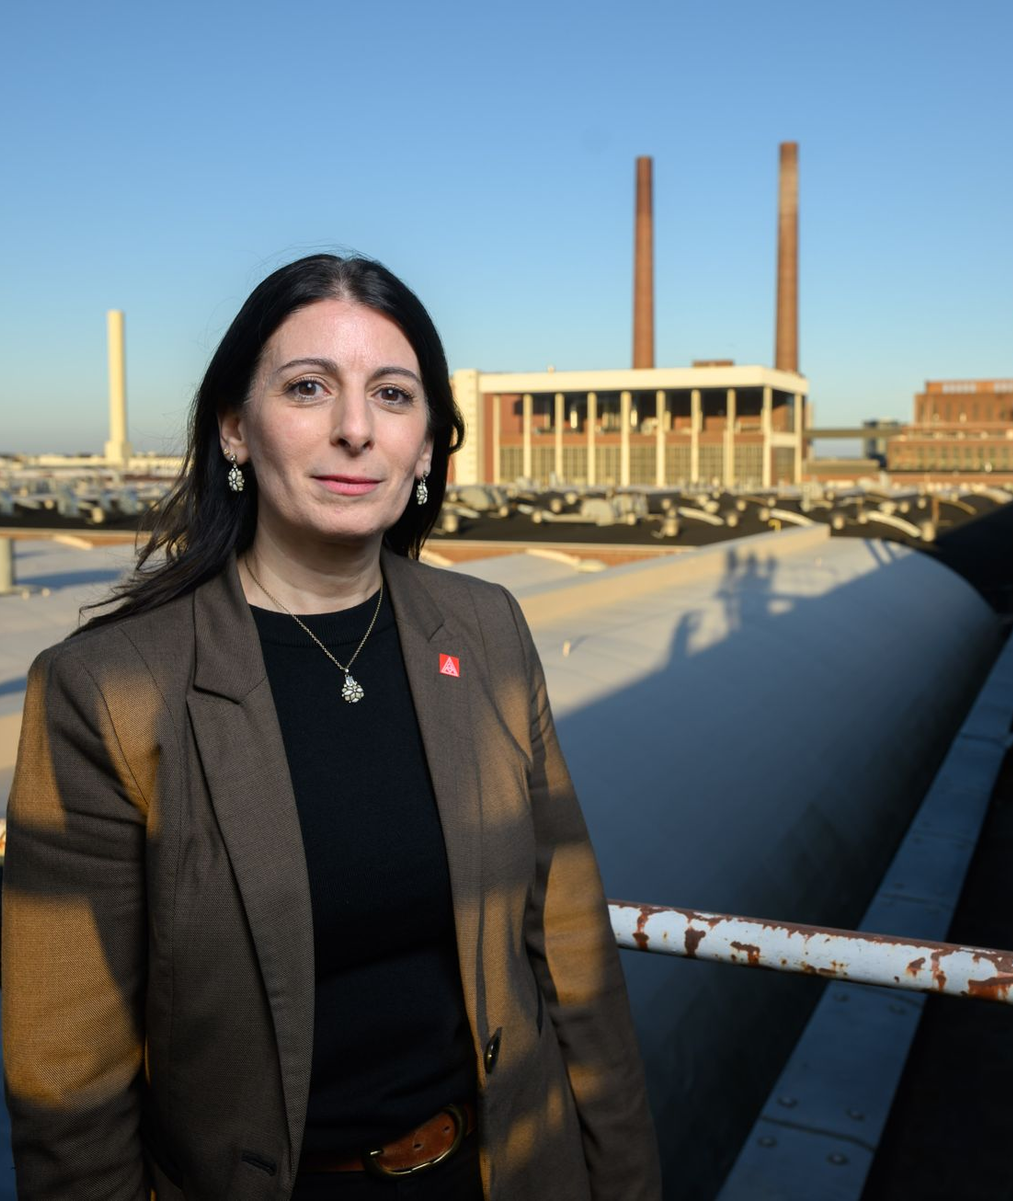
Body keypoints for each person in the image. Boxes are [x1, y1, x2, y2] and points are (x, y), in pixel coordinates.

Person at [2, 253, 661, 1200]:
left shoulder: (487, 631)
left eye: (393, 395)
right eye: (309, 387)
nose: (355, 429)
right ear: (235, 427)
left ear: (428, 446)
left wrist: (626, 1184)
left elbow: (572, 957)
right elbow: (69, 1088)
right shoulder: (107, 691)